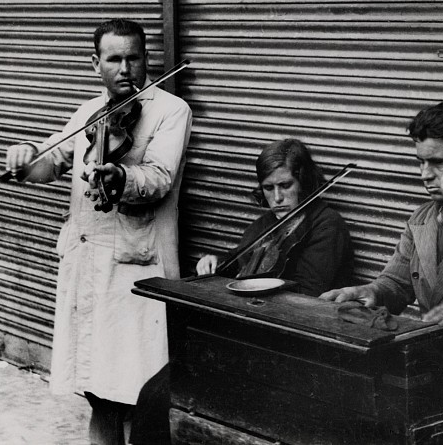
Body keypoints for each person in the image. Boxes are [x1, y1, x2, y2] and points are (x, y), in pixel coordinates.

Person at [4, 18, 193, 445]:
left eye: (134, 57)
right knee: (97, 394)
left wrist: (121, 178)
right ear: (96, 64)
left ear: (146, 59)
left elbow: (159, 177)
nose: (125, 68)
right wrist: (25, 158)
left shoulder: (170, 110)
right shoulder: (89, 112)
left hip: (136, 272)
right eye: (114, 59)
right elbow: (51, 160)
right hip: (88, 267)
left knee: (142, 396)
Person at [130, 137, 353, 445]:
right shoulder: (265, 223)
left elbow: (309, 294)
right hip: (241, 339)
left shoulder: (326, 225)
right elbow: (239, 264)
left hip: (288, 351)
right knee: (154, 395)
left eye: (285, 185)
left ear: (304, 179)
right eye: (268, 188)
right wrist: (217, 262)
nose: (277, 198)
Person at [320, 102, 443, 327]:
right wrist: (371, 292)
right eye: (421, 163)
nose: (425, 175)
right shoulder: (421, 219)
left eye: (438, 162)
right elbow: (396, 284)